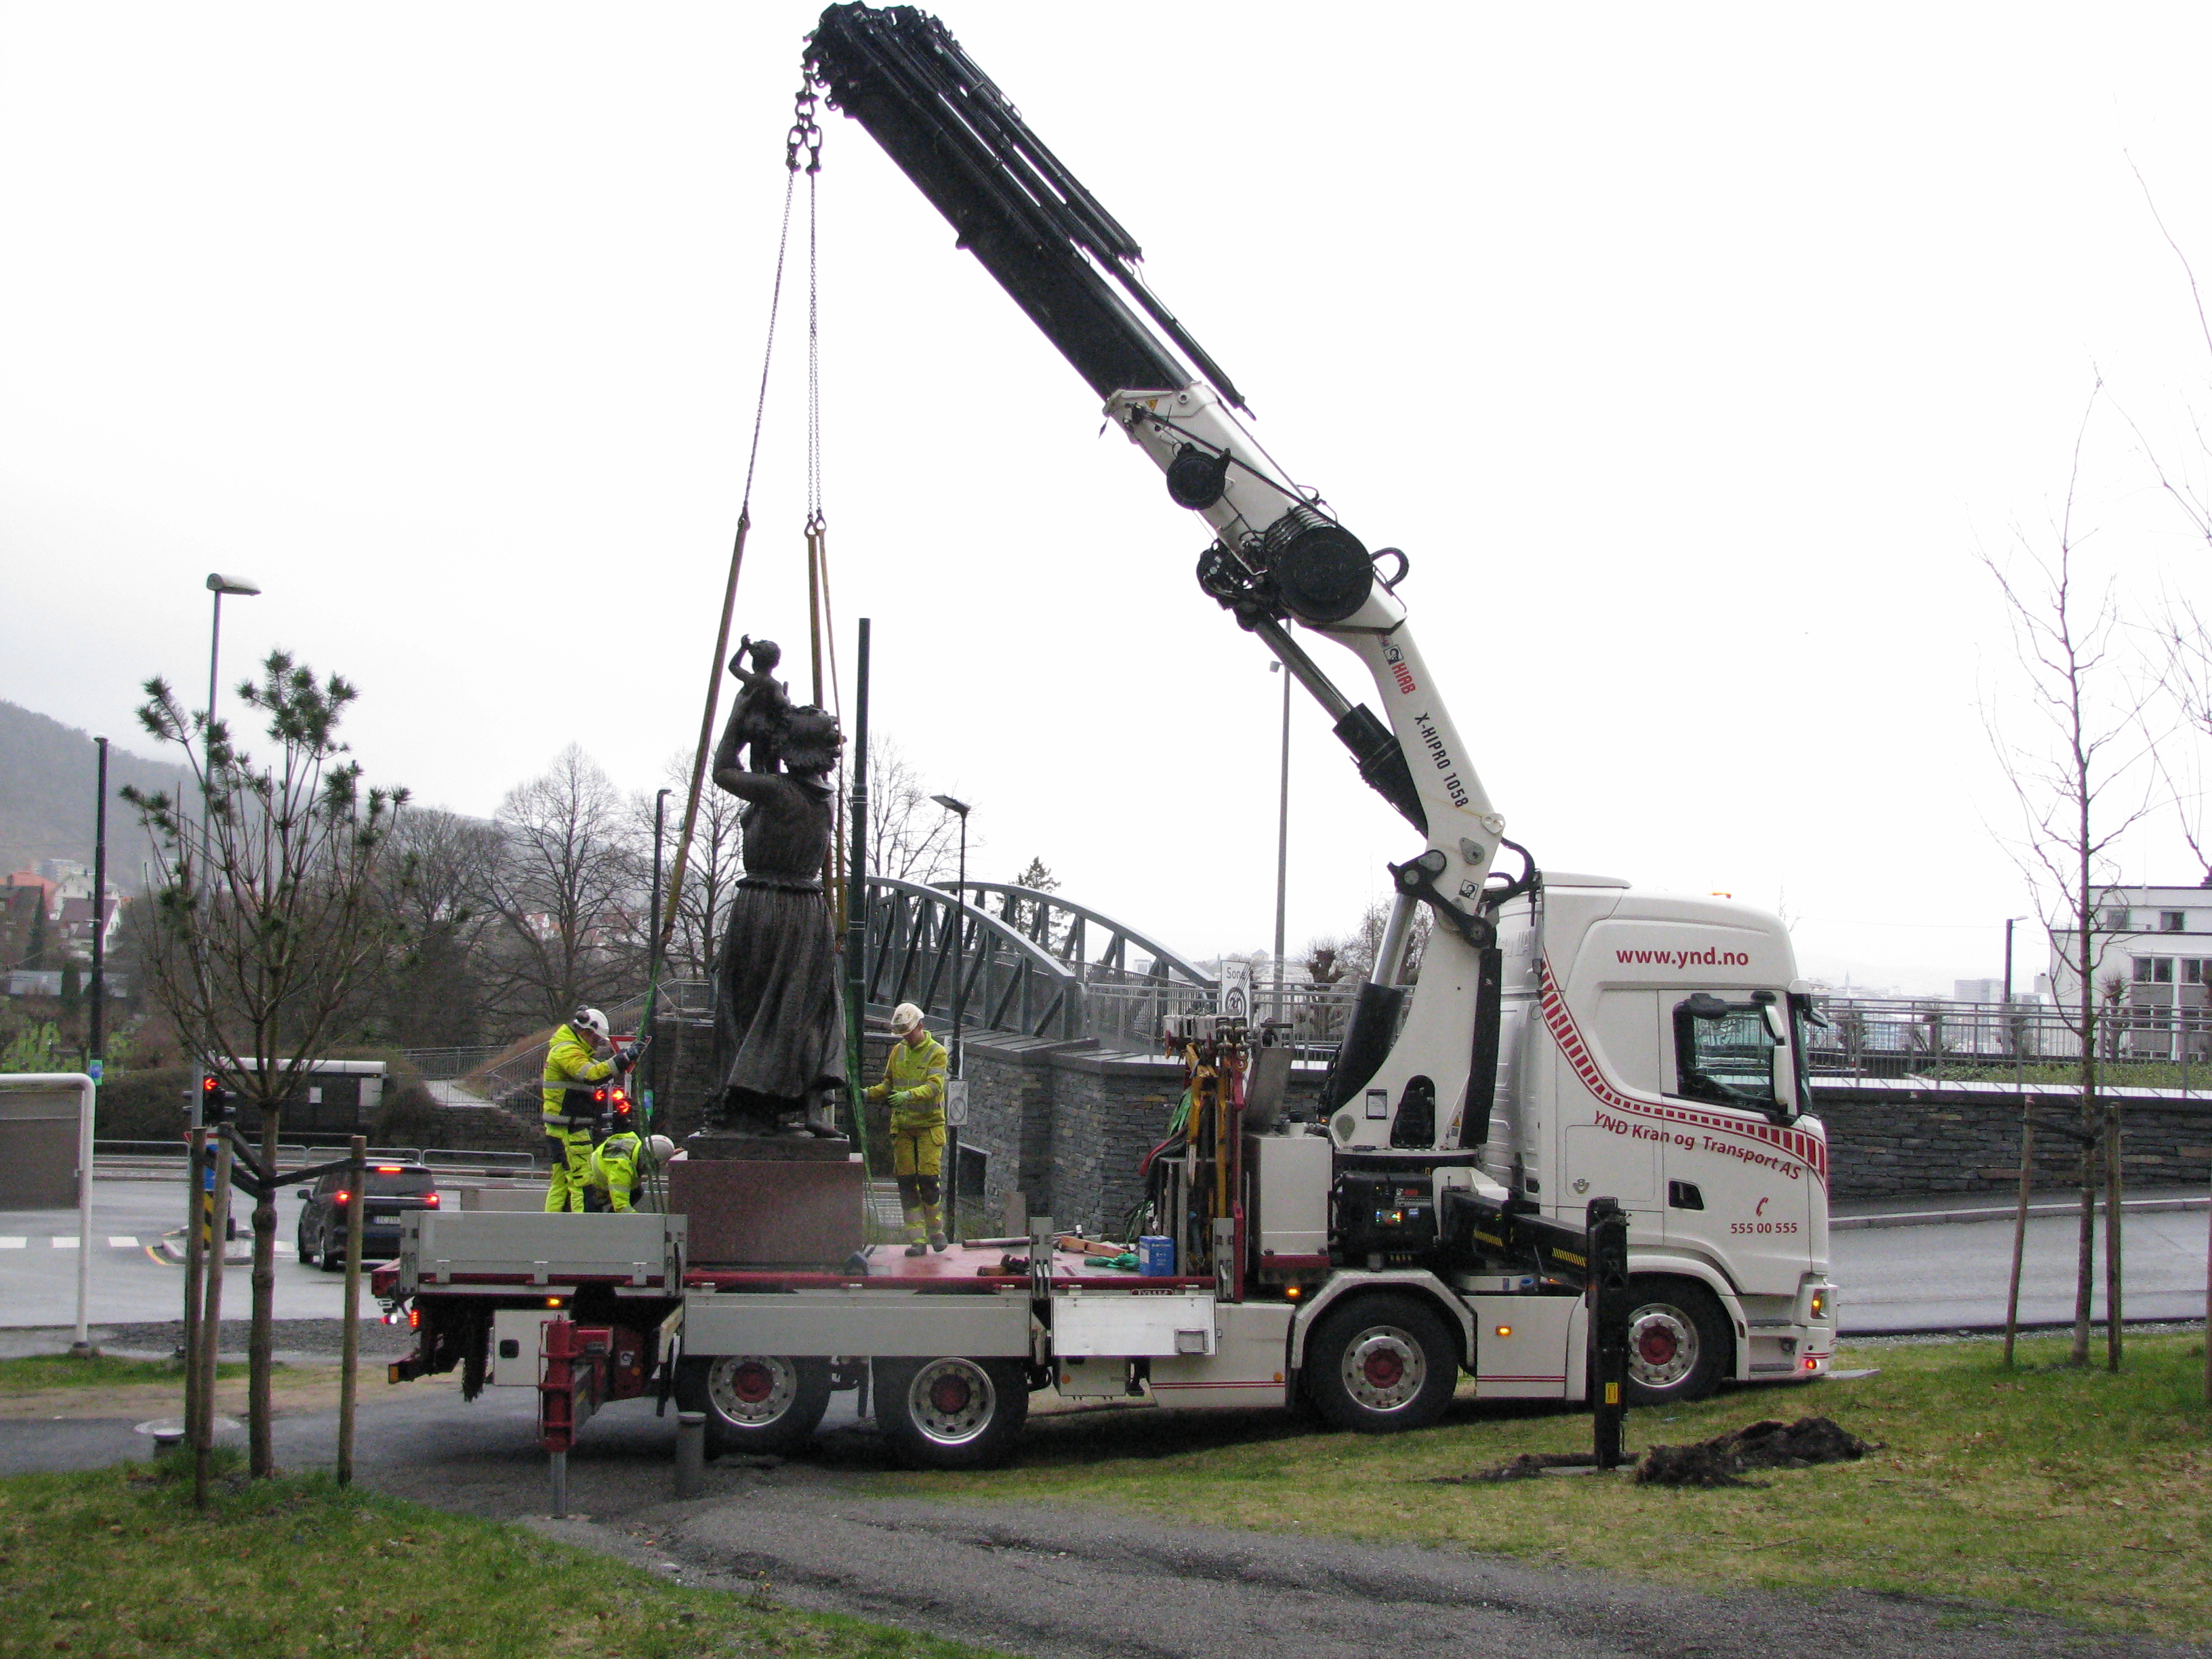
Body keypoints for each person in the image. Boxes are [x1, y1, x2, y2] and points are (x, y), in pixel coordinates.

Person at [708, 696, 849, 1136]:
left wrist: (739, 713)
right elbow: (769, 770)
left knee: (751, 1007)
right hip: (809, 909)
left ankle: (748, 1104)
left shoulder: (776, 791)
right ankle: (800, 1105)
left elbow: (722, 771)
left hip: (766, 906)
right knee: (805, 1010)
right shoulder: (823, 796)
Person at [863, 1002, 950, 1255]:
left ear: (920, 1026)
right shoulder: (898, 1052)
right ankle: (917, 1239)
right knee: (906, 1183)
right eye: (901, 1034)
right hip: (902, 1126)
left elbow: (935, 1087)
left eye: (908, 1032)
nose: (905, 1037)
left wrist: (908, 1096)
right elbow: (888, 1085)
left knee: (928, 1180)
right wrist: (868, 1094)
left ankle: (936, 1231)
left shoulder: (937, 1052)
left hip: (929, 1126)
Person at [541, 1007, 639, 1212]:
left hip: (563, 1127)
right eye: (596, 1040)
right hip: (570, 1129)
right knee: (581, 1185)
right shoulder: (567, 1050)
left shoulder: (569, 1049)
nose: (596, 1045)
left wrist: (622, 1060)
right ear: (587, 1032)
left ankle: (551, 1227)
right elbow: (593, 1074)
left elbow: (598, 1069)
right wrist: (624, 1058)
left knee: (561, 1184)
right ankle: (581, 1232)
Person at [586, 1130, 676, 1214]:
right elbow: (621, 1206)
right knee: (591, 1222)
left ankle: (609, 1220)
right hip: (589, 1190)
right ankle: (608, 1223)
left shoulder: (634, 1145)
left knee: (637, 1191)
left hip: (597, 1182)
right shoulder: (620, 1167)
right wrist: (642, 1222)